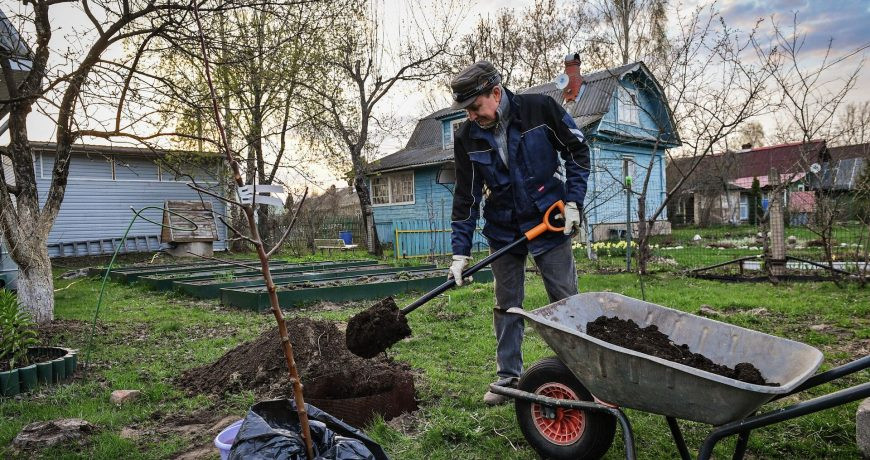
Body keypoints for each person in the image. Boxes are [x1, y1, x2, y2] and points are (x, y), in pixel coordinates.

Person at [447, 61, 590, 405]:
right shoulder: (466, 137)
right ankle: (508, 377)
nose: (471, 116)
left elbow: (577, 151)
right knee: (506, 305)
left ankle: (581, 373)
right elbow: (466, 196)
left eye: (475, 107)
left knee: (565, 300)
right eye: (465, 110)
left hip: (549, 220)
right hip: (504, 228)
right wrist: (459, 253)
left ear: (495, 93)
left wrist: (572, 203)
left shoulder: (540, 110)